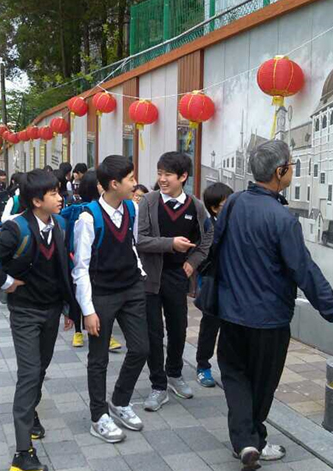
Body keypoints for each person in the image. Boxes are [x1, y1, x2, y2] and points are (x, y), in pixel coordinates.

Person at [216, 140, 333, 469]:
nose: (292, 170)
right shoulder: (282, 219)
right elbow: (304, 271)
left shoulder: (233, 203)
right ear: (280, 172)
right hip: (268, 321)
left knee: (235, 376)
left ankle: (246, 441)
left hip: (231, 313)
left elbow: (216, 248)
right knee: (261, 384)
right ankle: (252, 441)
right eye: (291, 166)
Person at [0, 169, 77, 471]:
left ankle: (31, 412)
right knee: (30, 373)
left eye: (59, 191)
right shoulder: (16, 229)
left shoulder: (60, 224)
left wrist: (68, 308)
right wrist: (6, 282)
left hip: (52, 310)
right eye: (54, 193)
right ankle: (22, 453)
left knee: (40, 368)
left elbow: (62, 269)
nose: (60, 197)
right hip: (25, 312)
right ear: (36, 201)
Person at [72, 155, 148, 444]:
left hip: (132, 289)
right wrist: (87, 310)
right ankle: (98, 416)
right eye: (130, 179)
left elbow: (131, 243)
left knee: (141, 349)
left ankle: (120, 401)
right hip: (102, 294)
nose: (135, 183)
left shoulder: (132, 208)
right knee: (99, 358)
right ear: (114, 184)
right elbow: (80, 268)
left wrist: (139, 272)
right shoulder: (88, 218)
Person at [136, 152, 212, 412]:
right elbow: (140, 239)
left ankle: (175, 374)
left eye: (168, 174)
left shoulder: (195, 206)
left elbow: (207, 239)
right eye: (160, 173)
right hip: (150, 277)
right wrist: (171, 244)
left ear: (183, 177)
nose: (162, 179)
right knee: (153, 332)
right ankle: (158, 385)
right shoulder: (148, 201)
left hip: (177, 277)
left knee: (178, 328)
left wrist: (193, 262)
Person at [64, 170, 122, 353]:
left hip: (96, 261)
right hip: (79, 258)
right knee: (81, 294)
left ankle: (92, 333)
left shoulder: (111, 208)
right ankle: (79, 331)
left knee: (93, 298)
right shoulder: (82, 210)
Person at [194, 182, 233, 388]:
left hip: (234, 286)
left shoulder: (238, 224)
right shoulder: (208, 227)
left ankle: (229, 371)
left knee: (231, 330)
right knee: (210, 327)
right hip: (213, 284)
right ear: (214, 208)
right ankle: (203, 366)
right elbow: (199, 256)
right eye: (227, 204)